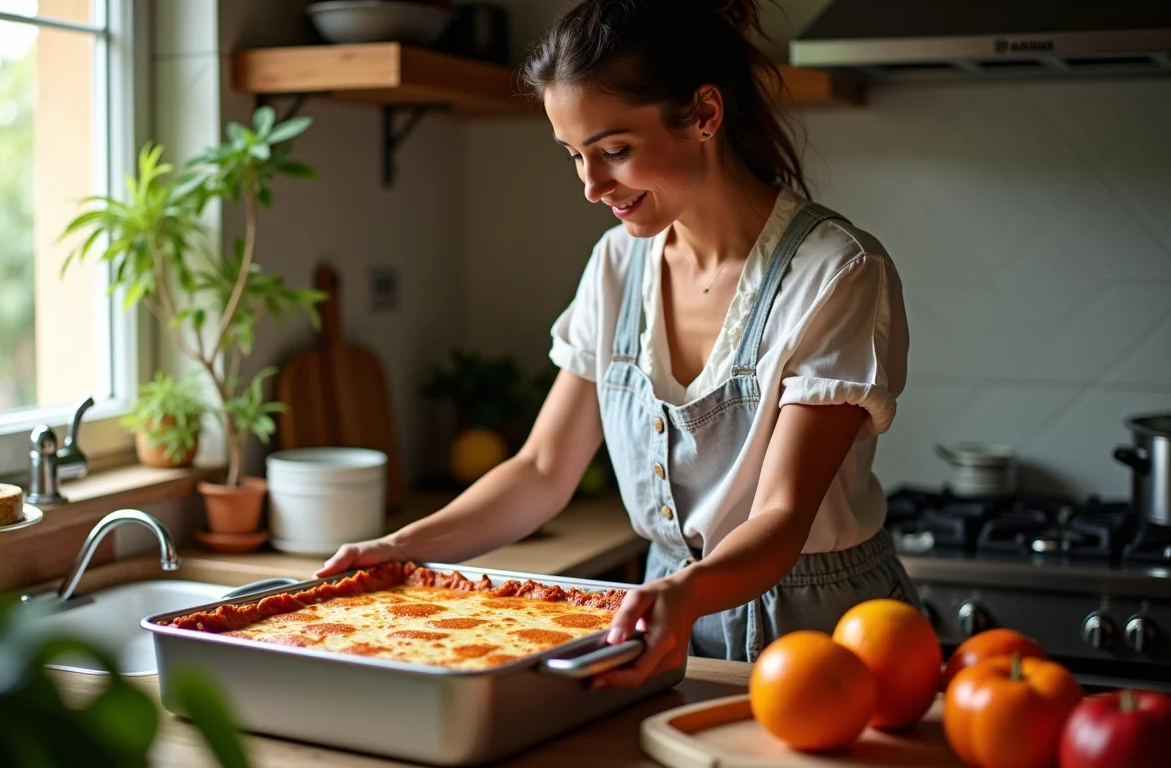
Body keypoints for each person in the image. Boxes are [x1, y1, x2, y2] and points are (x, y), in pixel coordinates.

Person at [314, 0, 919, 690]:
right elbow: (543, 469)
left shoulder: (836, 273)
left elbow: (781, 516)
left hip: (824, 638)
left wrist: (685, 596)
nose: (591, 186)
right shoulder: (617, 265)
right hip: (663, 620)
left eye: (614, 151)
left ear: (704, 115)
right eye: (574, 156)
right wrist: (396, 549)